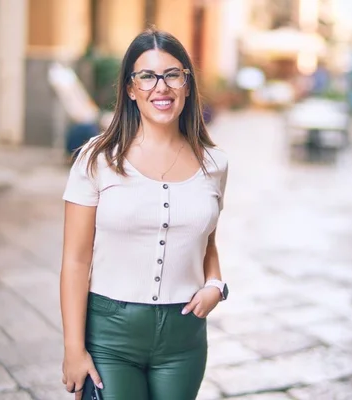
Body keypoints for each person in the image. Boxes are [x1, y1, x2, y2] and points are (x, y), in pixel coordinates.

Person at [60, 28, 229, 400]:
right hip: (110, 336)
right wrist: (74, 349)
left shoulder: (215, 164)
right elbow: (75, 260)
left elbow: (206, 240)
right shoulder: (96, 159)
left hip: (184, 340)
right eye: (147, 76)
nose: (161, 87)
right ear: (130, 89)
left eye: (172, 74)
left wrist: (216, 285)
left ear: (187, 85)